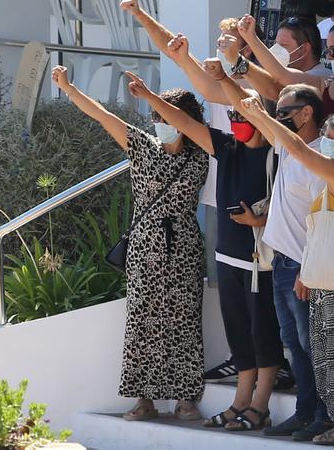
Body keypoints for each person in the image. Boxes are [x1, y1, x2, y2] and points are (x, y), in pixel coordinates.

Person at [131, 48, 283, 433]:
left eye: (241, 115)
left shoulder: (277, 154)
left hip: (258, 258)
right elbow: (186, 123)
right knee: (239, 333)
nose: (235, 121)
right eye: (232, 116)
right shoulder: (226, 148)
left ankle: (260, 405)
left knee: (263, 331)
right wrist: (150, 97)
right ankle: (239, 401)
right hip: (228, 255)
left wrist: (258, 220)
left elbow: (289, 208)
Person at [51, 65, 208, 422]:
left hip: (182, 244)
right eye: (156, 115)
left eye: (167, 116)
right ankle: (144, 399)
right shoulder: (142, 146)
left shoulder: (201, 154)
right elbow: (102, 115)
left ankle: (185, 397)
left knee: (184, 318)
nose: (160, 122)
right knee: (141, 318)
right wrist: (69, 88)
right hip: (144, 243)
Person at [238, 98, 334, 447]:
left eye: (331, 136)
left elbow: (300, 150)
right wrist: (260, 118)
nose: (326, 142)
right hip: (333, 277)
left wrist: (259, 116)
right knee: (329, 352)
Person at [252, 82, 334, 441]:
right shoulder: (288, 148)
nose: (279, 118)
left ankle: (325, 415)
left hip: (304, 266)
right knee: (294, 342)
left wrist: (308, 268)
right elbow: (269, 128)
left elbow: (324, 218)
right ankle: (305, 412)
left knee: (311, 342)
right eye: (278, 111)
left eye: (286, 112)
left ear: (307, 113)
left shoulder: (320, 157)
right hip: (282, 263)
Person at [236, 13, 334, 119]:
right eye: (327, 51)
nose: (328, 57)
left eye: (333, 50)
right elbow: (281, 74)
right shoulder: (326, 83)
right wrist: (250, 38)